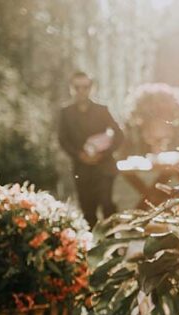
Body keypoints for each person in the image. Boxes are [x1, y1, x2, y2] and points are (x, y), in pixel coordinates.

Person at [58, 71, 124, 225]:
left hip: (104, 167)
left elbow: (119, 135)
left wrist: (104, 154)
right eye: (77, 87)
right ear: (71, 88)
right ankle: (92, 239)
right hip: (81, 169)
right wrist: (79, 155)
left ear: (91, 88)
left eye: (85, 87)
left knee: (107, 205)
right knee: (88, 210)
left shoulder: (102, 110)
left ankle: (111, 238)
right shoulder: (65, 113)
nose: (81, 91)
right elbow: (63, 140)